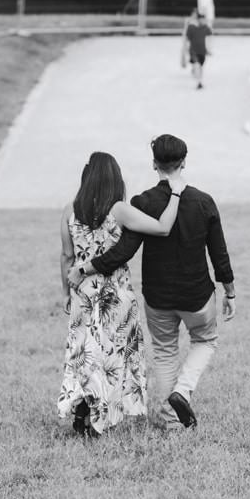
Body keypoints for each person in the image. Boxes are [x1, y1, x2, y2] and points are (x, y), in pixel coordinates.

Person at [72, 133, 236, 430]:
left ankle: (171, 419)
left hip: (158, 297)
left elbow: (123, 252)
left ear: (154, 164)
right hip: (197, 295)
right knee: (206, 340)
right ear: (183, 162)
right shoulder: (203, 201)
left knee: (164, 350)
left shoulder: (142, 202)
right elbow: (218, 251)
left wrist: (87, 267)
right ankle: (181, 392)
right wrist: (229, 289)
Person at [58, 151, 186, 436]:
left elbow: (67, 257)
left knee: (84, 354)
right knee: (113, 357)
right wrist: (175, 195)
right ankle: (99, 417)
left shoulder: (69, 210)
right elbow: (163, 228)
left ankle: (85, 408)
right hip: (116, 295)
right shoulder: (119, 210)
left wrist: (66, 292)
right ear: (114, 178)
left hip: (83, 294)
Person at [181, 8, 211, 89]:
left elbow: (209, 39)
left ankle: (199, 79)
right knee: (197, 65)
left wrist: (209, 49)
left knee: (200, 67)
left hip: (202, 51)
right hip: (193, 51)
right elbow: (186, 40)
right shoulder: (191, 27)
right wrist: (184, 51)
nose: (204, 21)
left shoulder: (205, 28)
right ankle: (199, 82)